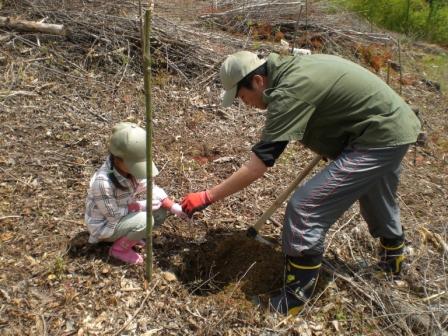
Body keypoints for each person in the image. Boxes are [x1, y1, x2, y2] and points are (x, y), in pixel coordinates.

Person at [181, 51, 421, 315]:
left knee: (305, 207)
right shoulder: (291, 70)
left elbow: (259, 162)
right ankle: (392, 266)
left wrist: (207, 197)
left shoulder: (289, 92)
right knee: (377, 197)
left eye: (241, 96)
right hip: (392, 125)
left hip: (378, 136)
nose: (244, 103)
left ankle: (294, 299)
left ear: (258, 81)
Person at [85, 122, 187, 265]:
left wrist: (172, 206)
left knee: (160, 212)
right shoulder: (103, 183)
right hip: (105, 226)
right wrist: (139, 206)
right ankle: (119, 249)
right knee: (145, 220)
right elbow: (113, 216)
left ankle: (129, 236)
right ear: (118, 159)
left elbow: (150, 187)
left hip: (122, 214)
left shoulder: (129, 171)